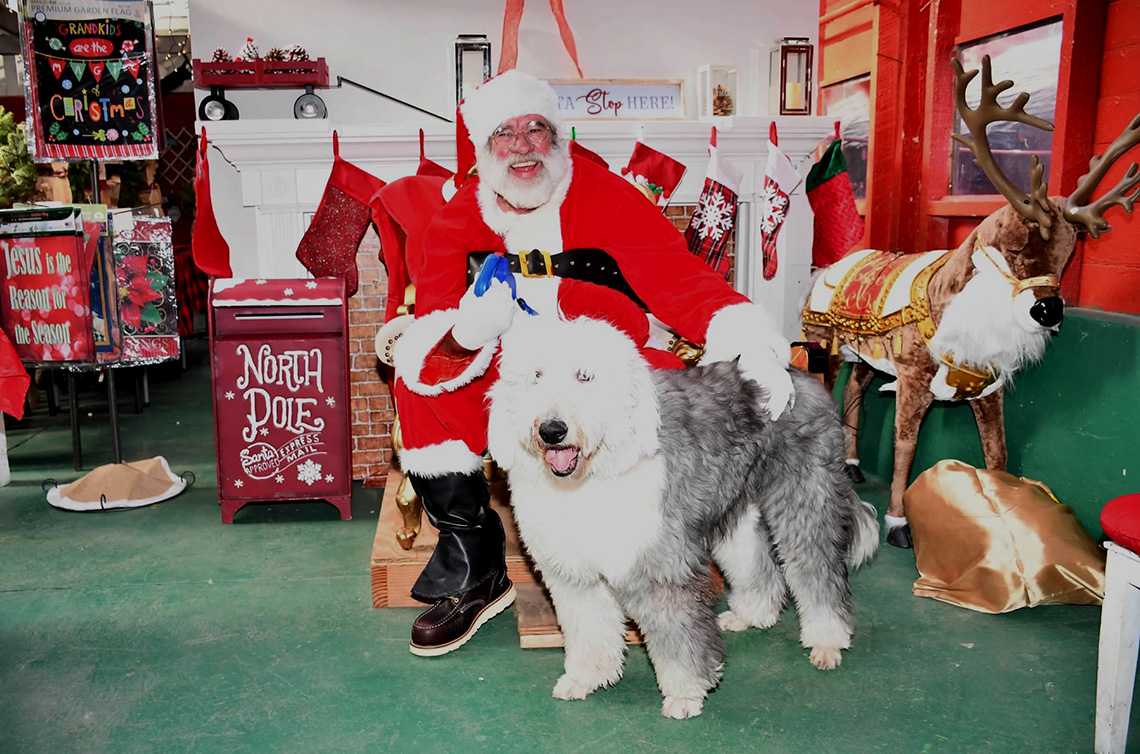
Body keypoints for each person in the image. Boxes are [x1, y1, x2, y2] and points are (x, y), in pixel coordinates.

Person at [391, 70, 793, 657]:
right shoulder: (458, 220)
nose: (525, 145)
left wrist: (747, 340)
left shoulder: (607, 196)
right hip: (515, 378)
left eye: (538, 129)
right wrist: (466, 332)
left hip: (611, 367)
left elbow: (684, 284)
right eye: (506, 133)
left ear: (560, 136)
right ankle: (475, 565)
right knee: (418, 394)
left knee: (687, 410)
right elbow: (430, 331)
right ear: (483, 149)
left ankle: (686, 549)